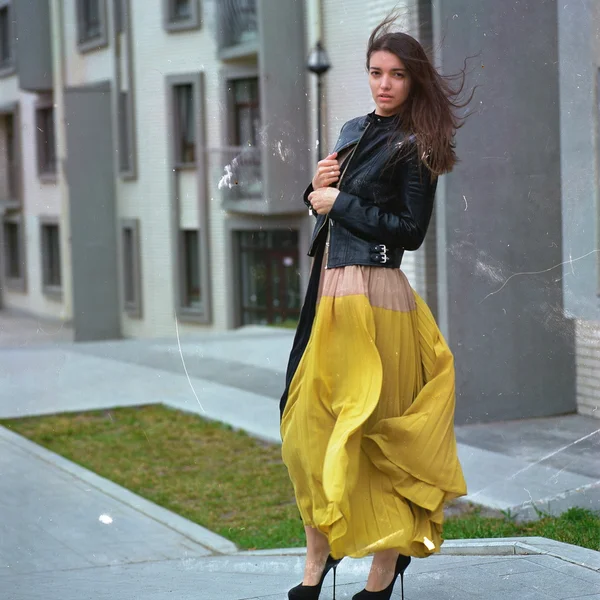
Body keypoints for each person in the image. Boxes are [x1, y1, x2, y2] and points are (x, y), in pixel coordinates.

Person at [279, 13, 474, 600]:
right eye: (374, 72)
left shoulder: (418, 143)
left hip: (379, 297)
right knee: (306, 434)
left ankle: (382, 574)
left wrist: (336, 202)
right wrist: (316, 191)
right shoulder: (351, 128)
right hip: (331, 294)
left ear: (413, 81)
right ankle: (317, 561)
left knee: (375, 434)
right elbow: (330, 207)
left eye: (395, 74)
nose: (383, 84)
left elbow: (408, 232)